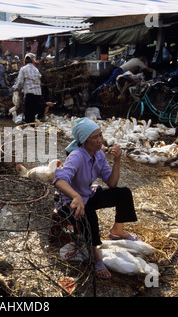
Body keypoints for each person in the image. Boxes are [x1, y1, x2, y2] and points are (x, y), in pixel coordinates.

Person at [54, 117, 140, 280]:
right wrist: (75, 195)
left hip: (88, 195)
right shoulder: (77, 156)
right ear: (84, 141)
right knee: (89, 214)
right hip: (69, 202)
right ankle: (96, 257)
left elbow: (112, 183)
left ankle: (117, 231)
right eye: (95, 137)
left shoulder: (99, 154)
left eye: (100, 135)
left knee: (123, 193)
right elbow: (59, 180)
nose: (100, 139)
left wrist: (117, 161)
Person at [13, 53, 43, 124]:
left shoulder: (23, 69)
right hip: (38, 94)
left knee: (28, 113)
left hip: (29, 94)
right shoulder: (36, 70)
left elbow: (20, 82)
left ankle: (30, 129)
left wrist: (16, 88)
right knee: (33, 112)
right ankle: (32, 127)